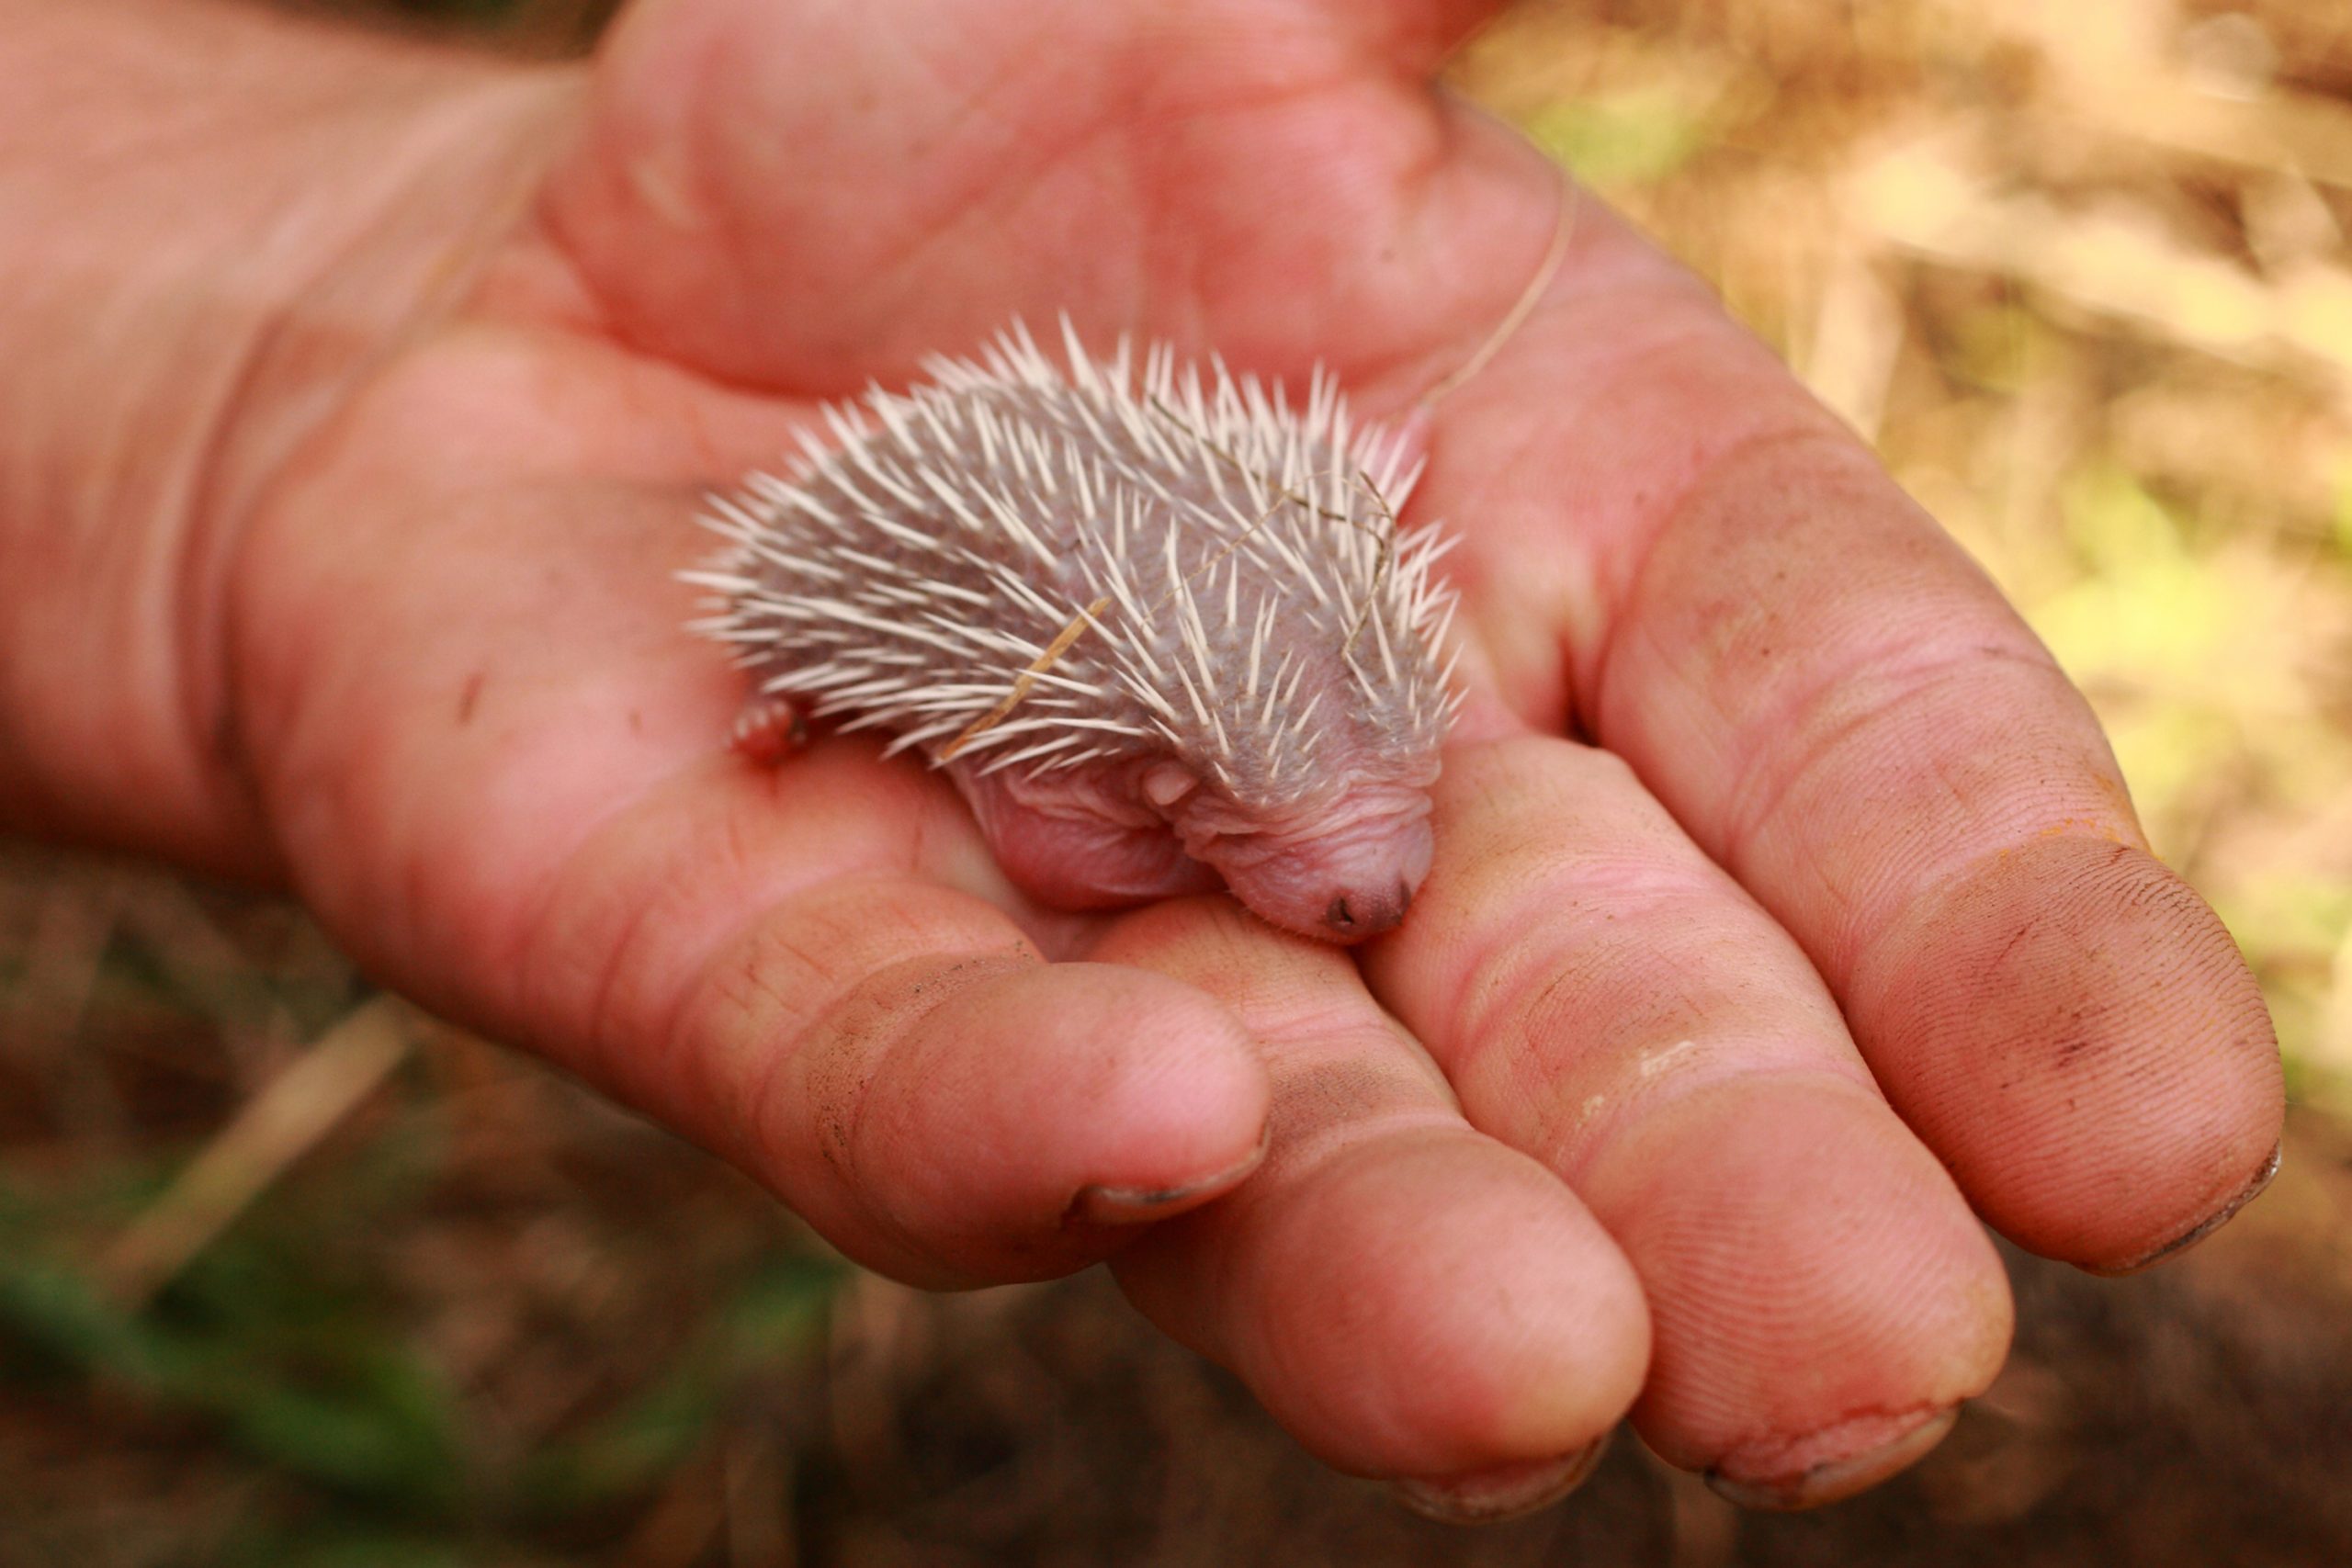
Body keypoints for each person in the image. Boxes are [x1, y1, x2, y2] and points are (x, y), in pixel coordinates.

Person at [0, 0, 2284, 1524]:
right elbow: (1044, 807)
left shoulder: (1310, 671)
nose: (1372, 901)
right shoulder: (1085, 738)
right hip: (942, 580)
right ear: (1181, 792)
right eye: (1313, 869)